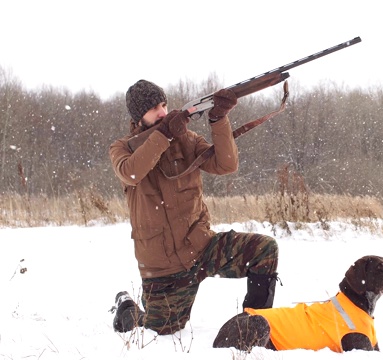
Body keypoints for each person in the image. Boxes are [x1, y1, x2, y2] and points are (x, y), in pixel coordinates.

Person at [108, 79, 280, 335]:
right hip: (163, 267)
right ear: (138, 116)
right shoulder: (121, 148)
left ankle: (252, 327)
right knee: (158, 331)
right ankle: (127, 309)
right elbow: (131, 173)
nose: (163, 112)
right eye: (154, 108)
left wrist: (218, 119)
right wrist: (163, 135)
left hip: (202, 248)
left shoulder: (185, 139)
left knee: (264, 249)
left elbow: (226, 165)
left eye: (164, 104)